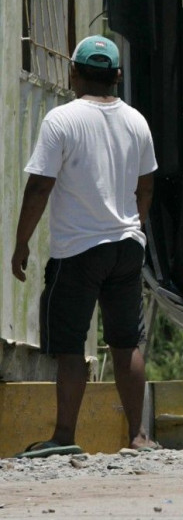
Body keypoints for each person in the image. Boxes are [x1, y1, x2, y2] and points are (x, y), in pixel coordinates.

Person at [11, 35, 158, 458]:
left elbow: (40, 186)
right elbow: (146, 186)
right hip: (128, 245)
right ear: (117, 75)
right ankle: (139, 436)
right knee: (125, 341)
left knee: (70, 345)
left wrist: (21, 242)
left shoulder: (62, 120)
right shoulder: (136, 121)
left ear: (73, 72)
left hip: (78, 250)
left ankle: (63, 435)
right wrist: (133, 227)